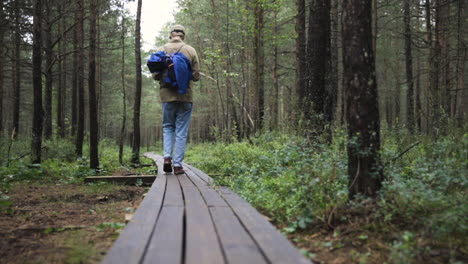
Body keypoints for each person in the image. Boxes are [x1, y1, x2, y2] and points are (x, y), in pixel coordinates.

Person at [152, 25, 200, 175]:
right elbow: (196, 76)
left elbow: (154, 74)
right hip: (186, 96)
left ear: (170, 35)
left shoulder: (161, 49)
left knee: (167, 127)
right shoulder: (190, 50)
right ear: (183, 36)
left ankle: (167, 158)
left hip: (167, 95)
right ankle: (178, 165)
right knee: (181, 131)